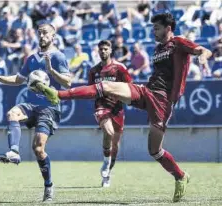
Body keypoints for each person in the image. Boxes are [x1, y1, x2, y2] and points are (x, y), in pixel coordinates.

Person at [32, 13, 212, 202]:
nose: (153, 32)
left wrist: (203, 58)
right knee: (106, 87)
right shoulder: (158, 48)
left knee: (155, 151)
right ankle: (58, 94)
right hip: (147, 92)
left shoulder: (179, 42)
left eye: (157, 28)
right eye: (152, 28)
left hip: (163, 102)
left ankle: (181, 176)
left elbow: (204, 50)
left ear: (168, 29)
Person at [0, 22, 71, 202]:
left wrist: (52, 71)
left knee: (38, 148)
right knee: (11, 114)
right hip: (31, 104)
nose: (42, 36)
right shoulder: (31, 59)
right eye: (39, 33)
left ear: (53, 37)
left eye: (45, 33)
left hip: (49, 107)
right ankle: (14, 151)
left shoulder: (59, 57)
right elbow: (18, 79)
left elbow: (68, 83)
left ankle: (48, 186)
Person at [88, 40, 132, 187]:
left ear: (111, 50)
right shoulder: (93, 71)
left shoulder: (119, 68)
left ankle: (107, 171)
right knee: (109, 132)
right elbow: (90, 91)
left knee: (115, 144)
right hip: (101, 107)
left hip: (117, 108)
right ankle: (106, 163)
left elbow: (129, 87)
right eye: (100, 49)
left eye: (106, 49)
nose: (103, 52)